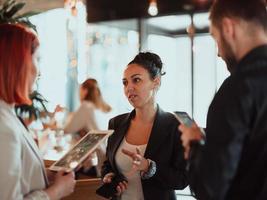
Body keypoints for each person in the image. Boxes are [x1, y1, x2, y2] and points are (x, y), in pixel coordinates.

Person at [179, 0, 267, 199]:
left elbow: (210, 189)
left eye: (215, 38)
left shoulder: (236, 90)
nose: (218, 52)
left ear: (228, 28)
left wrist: (193, 146)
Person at [0, 24, 76, 200]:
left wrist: (43, 174)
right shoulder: (4, 127)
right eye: (37, 59)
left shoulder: (8, 115)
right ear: (18, 64)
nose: (39, 71)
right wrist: (56, 191)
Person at [101, 52, 188, 200]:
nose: (129, 88)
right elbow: (108, 164)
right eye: (125, 82)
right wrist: (109, 176)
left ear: (156, 82)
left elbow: (182, 179)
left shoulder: (175, 125)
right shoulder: (115, 123)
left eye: (136, 80)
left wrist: (149, 167)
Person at [63, 78, 112, 177]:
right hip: (104, 159)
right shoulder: (102, 108)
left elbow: (67, 129)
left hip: (95, 163)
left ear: (85, 91)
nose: (79, 94)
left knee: (63, 172)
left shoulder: (86, 106)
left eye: (80, 90)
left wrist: (69, 115)